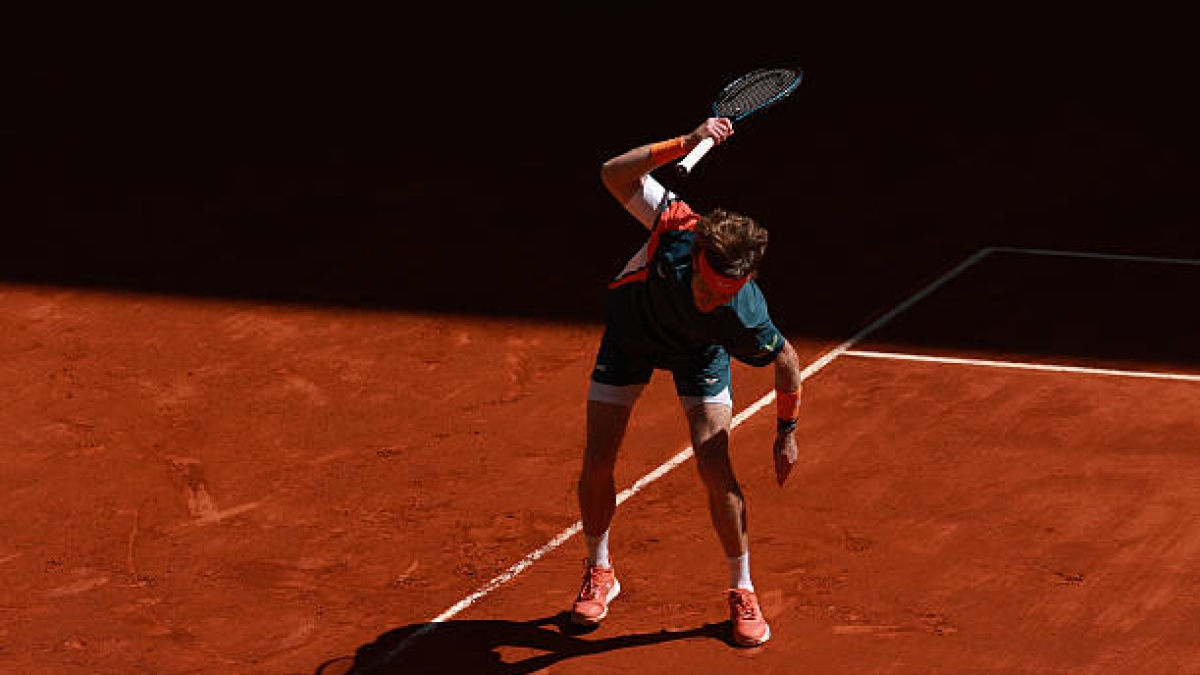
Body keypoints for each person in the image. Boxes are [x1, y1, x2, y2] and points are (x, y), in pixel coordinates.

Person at [572, 117, 804, 647]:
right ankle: (600, 570)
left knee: (713, 461)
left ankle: (742, 589)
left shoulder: (744, 313)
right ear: (699, 255)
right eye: (708, 287)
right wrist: (686, 142)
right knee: (599, 457)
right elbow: (613, 174)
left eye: (725, 295)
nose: (711, 299)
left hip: (699, 354)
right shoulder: (677, 224)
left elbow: (788, 361)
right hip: (632, 334)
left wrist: (785, 432)